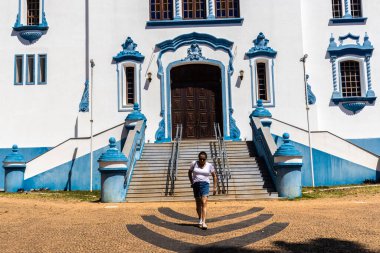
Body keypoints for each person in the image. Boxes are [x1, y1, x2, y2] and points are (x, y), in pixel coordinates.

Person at [188, 151, 217, 230]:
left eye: (203, 159)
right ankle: (200, 219)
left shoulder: (209, 165)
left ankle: (204, 222)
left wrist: (214, 187)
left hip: (205, 184)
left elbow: (214, 176)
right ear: (198, 158)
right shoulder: (194, 163)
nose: (202, 161)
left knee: (204, 202)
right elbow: (189, 172)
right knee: (198, 204)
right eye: (200, 159)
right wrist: (192, 182)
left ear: (206, 159)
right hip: (196, 184)